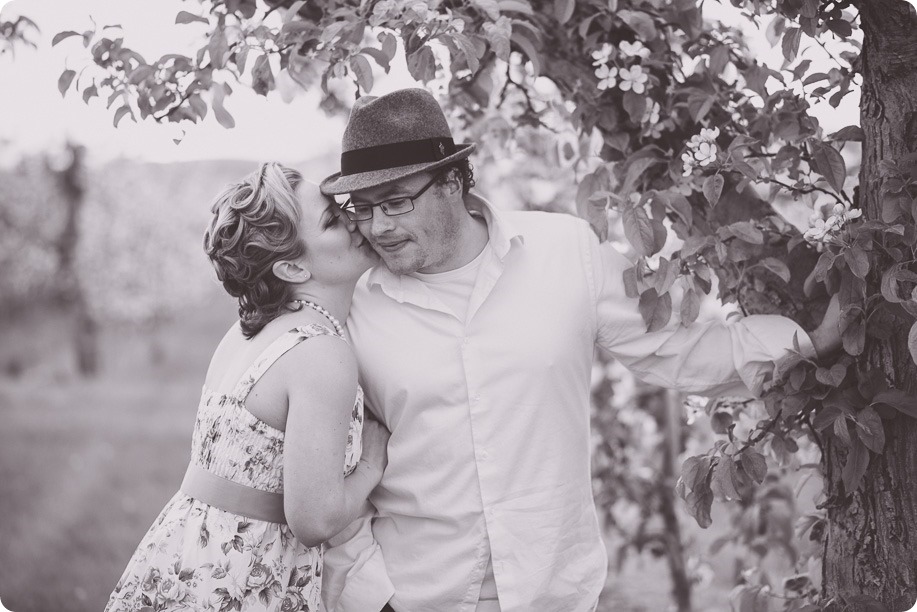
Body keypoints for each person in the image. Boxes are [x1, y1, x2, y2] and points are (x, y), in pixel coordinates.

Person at [317, 88, 842, 612]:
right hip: (411, 598)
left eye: (395, 202)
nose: (377, 226)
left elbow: (676, 348)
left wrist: (806, 343)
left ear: (452, 182)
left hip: (553, 594)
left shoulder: (566, 252)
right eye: (361, 209)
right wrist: (367, 591)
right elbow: (326, 459)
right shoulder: (353, 304)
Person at [105, 163, 389, 612]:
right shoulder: (320, 351)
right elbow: (313, 519)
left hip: (180, 555)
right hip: (241, 580)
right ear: (292, 267)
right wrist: (371, 465)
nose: (355, 219)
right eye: (333, 220)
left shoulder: (245, 334)